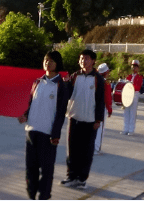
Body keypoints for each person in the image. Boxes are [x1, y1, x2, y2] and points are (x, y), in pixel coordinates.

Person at [18, 51, 69, 200]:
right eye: (46, 60)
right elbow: (31, 103)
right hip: (31, 131)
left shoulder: (61, 86)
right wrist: (25, 115)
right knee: (31, 169)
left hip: (47, 134)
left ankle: (44, 196)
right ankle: (31, 195)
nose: (48, 63)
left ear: (57, 63)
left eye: (51, 61)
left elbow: (61, 113)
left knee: (46, 170)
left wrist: (56, 134)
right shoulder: (37, 82)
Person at [61, 49, 105, 189]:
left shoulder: (98, 79)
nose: (83, 61)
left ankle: (81, 178)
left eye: (86, 58)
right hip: (74, 118)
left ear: (93, 61)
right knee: (72, 150)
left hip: (90, 121)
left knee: (86, 152)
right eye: (81, 58)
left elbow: (100, 101)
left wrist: (98, 120)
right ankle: (71, 176)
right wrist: (66, 84)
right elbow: (67, 95)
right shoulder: (74, 76)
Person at [94, 63, 113, 154]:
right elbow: (107, 97)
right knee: (100, 129)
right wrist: (109, 109)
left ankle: (91, 147)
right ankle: (96, 148)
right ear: (106, 72)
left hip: (93, 106)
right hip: (102, 107)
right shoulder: (106, 82)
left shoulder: (94, 80)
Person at [122, 60, 142, 135]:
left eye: (135, 66)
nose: (133, 68)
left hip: (135, 94)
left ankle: (131, 130)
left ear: (138, 68)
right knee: (126, 111)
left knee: (133, 112)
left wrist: (130, 84)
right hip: (127, 94)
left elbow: (138, 87)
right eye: (133, 66)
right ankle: (126, 128)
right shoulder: (129, 76)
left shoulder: (139, 77)